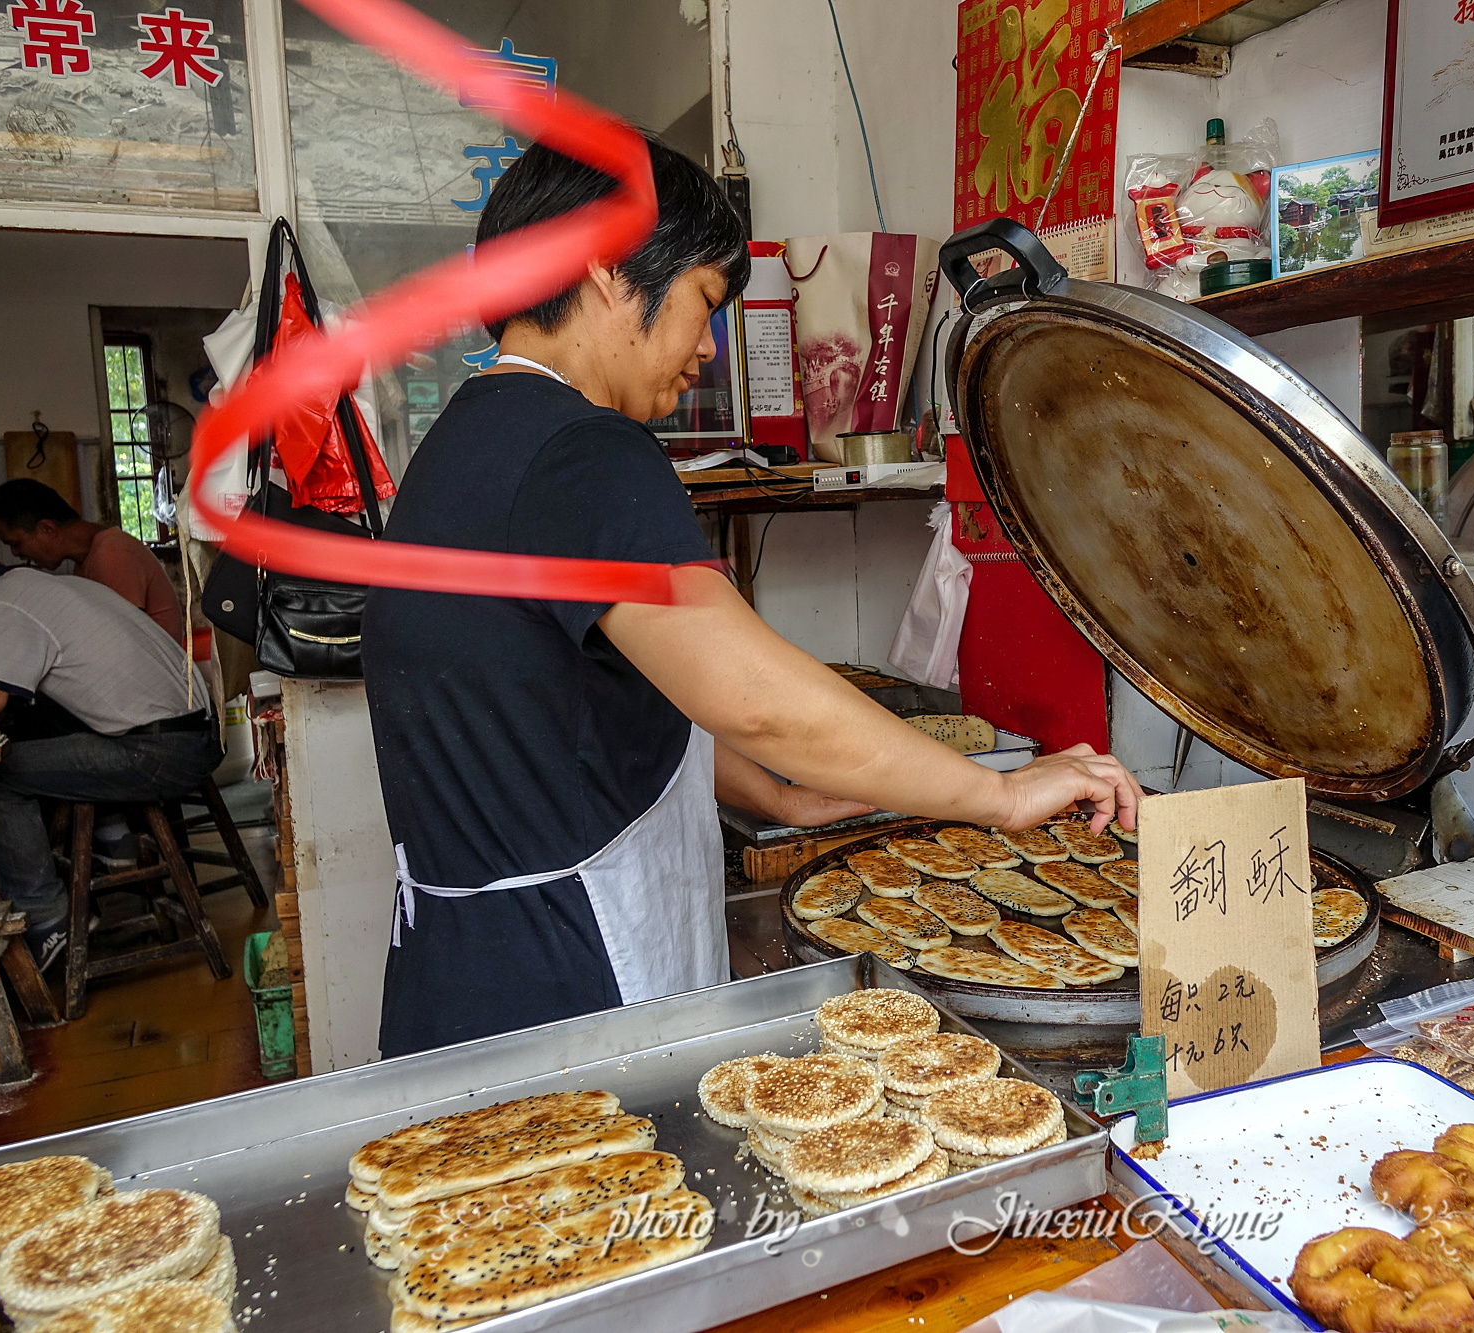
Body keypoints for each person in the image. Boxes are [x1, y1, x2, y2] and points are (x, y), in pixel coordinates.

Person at [362, 139, 1142, 1059]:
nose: (706, 347)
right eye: (703, 301)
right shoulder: (583, 451)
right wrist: (1001, 795)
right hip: (570, 986)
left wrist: (769, 789)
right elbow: (755, 699)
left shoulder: (464, 443)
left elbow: (563, 701)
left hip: (459, 978)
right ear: (612, 273)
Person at [0, 532, 219, 972]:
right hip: (193, 734)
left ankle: (47, 918)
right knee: (33, 719)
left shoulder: (4, 606)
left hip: (159, 751)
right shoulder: (45, 586)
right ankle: (111, 838)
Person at [0, 478, 186, 644]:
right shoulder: (84, 563)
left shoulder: (112, 553)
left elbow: (123, 642)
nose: (16, 553)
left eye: (16, 543)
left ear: (47, 529)